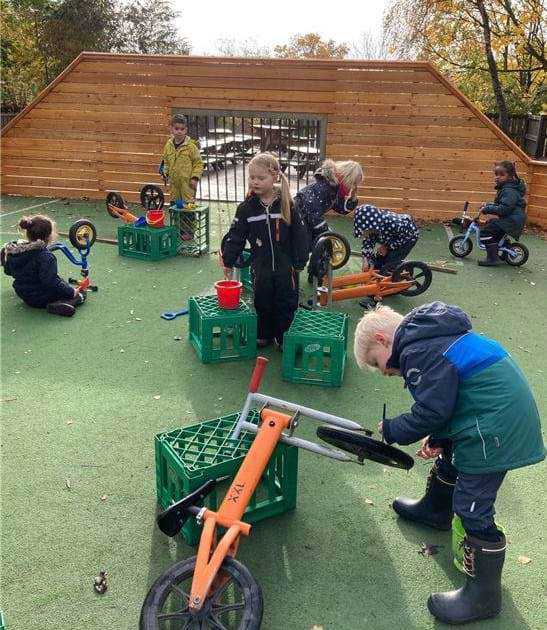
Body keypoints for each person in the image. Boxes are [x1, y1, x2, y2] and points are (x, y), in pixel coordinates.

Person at [353, 301, 544, 625]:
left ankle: (484, 597)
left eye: (377, 362)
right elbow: (454, 397)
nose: (384, 372)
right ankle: (436, 510)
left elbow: (433, 410)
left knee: (472, 505)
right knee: (451, 457)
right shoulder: (431, 338)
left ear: (385, 340)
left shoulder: (415, 351)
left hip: (495, 426)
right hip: (491, 416)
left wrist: (395, 429)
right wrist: (442, 438)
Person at [221, 153, 309, 348]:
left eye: (261, 178)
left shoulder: (287, 204)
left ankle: (283, 336)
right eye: (252, 177)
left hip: (286, 267)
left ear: (275, 177)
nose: (256, 182)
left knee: (286, 302)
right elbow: (236, 236)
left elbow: (300, 234)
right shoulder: (247, 209)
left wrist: (300, 260)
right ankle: (264, 333)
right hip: (260, 266)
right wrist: (228, 260)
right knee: (262, 300)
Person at [1, 215, 85, 317]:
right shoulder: (45, 256)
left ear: (27, 233)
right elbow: (50, 281)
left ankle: (58, 300)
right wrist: (71, 292)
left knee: (60, 284)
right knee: (80, 294)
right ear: (49, 236)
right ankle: (59, 304)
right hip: (42, 297)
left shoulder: (14, 251)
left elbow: (8, 271)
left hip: (23, 293)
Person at [293, 159, 363, 244]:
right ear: (346, 178)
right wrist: (324, 230)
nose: (353, 187)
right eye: (353, 184)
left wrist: (352, 199)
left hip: (305, 218)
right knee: (307, 245)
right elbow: (312, 211)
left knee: (322, 239)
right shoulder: (324, 187)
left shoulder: (334, 190)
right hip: (297, 216)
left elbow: (340, 208)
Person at [477, 161, 526, 266]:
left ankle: (492, 258)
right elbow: (501, 204)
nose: (497, 177)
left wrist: (487, 209)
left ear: (511, 176)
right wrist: (487, 205)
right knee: (493, 225)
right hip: (511, 219)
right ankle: (505, 248)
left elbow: (504, 209)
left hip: (512, 221)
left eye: (501, 175)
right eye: (496, 174)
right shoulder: (507, 188)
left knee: (486, 232)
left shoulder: (509, 191)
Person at [353, 204, 419, 275]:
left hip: (408, 238)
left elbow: (403, 237)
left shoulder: (393, 223)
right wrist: (365, 260)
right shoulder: (370, 228)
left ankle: (394, 276)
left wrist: (386, 246)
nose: (367, 232)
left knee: (391, 260)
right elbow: (367, 242)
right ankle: (380, 269)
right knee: (379, 259)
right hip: (391, 238)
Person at [159, 113, 204, 204]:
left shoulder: (191, 146)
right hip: (174, 185)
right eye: (176, 129)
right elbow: (166, 161)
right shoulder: (168, 146)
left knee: (187, 210)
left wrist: (194, 178)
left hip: (187, 185)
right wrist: (165, 173)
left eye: (182, 129)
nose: (179, 131)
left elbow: (198, 163)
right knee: (175, 209)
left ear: (186, 130)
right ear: (171, 129)